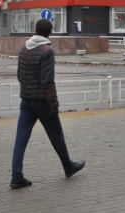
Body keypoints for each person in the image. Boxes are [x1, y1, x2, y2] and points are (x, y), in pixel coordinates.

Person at [10, 19, 85, 189]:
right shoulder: (47, 51)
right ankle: (68, 166)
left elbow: (20, 75)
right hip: (42, 102)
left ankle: (16, 176)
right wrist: (54, 104)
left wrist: (27, 91)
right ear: (50, 31)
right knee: (56, 134)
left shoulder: (24, 48)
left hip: (26, 100)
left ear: (35, 30)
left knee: (21, 138)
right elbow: (47, 81)